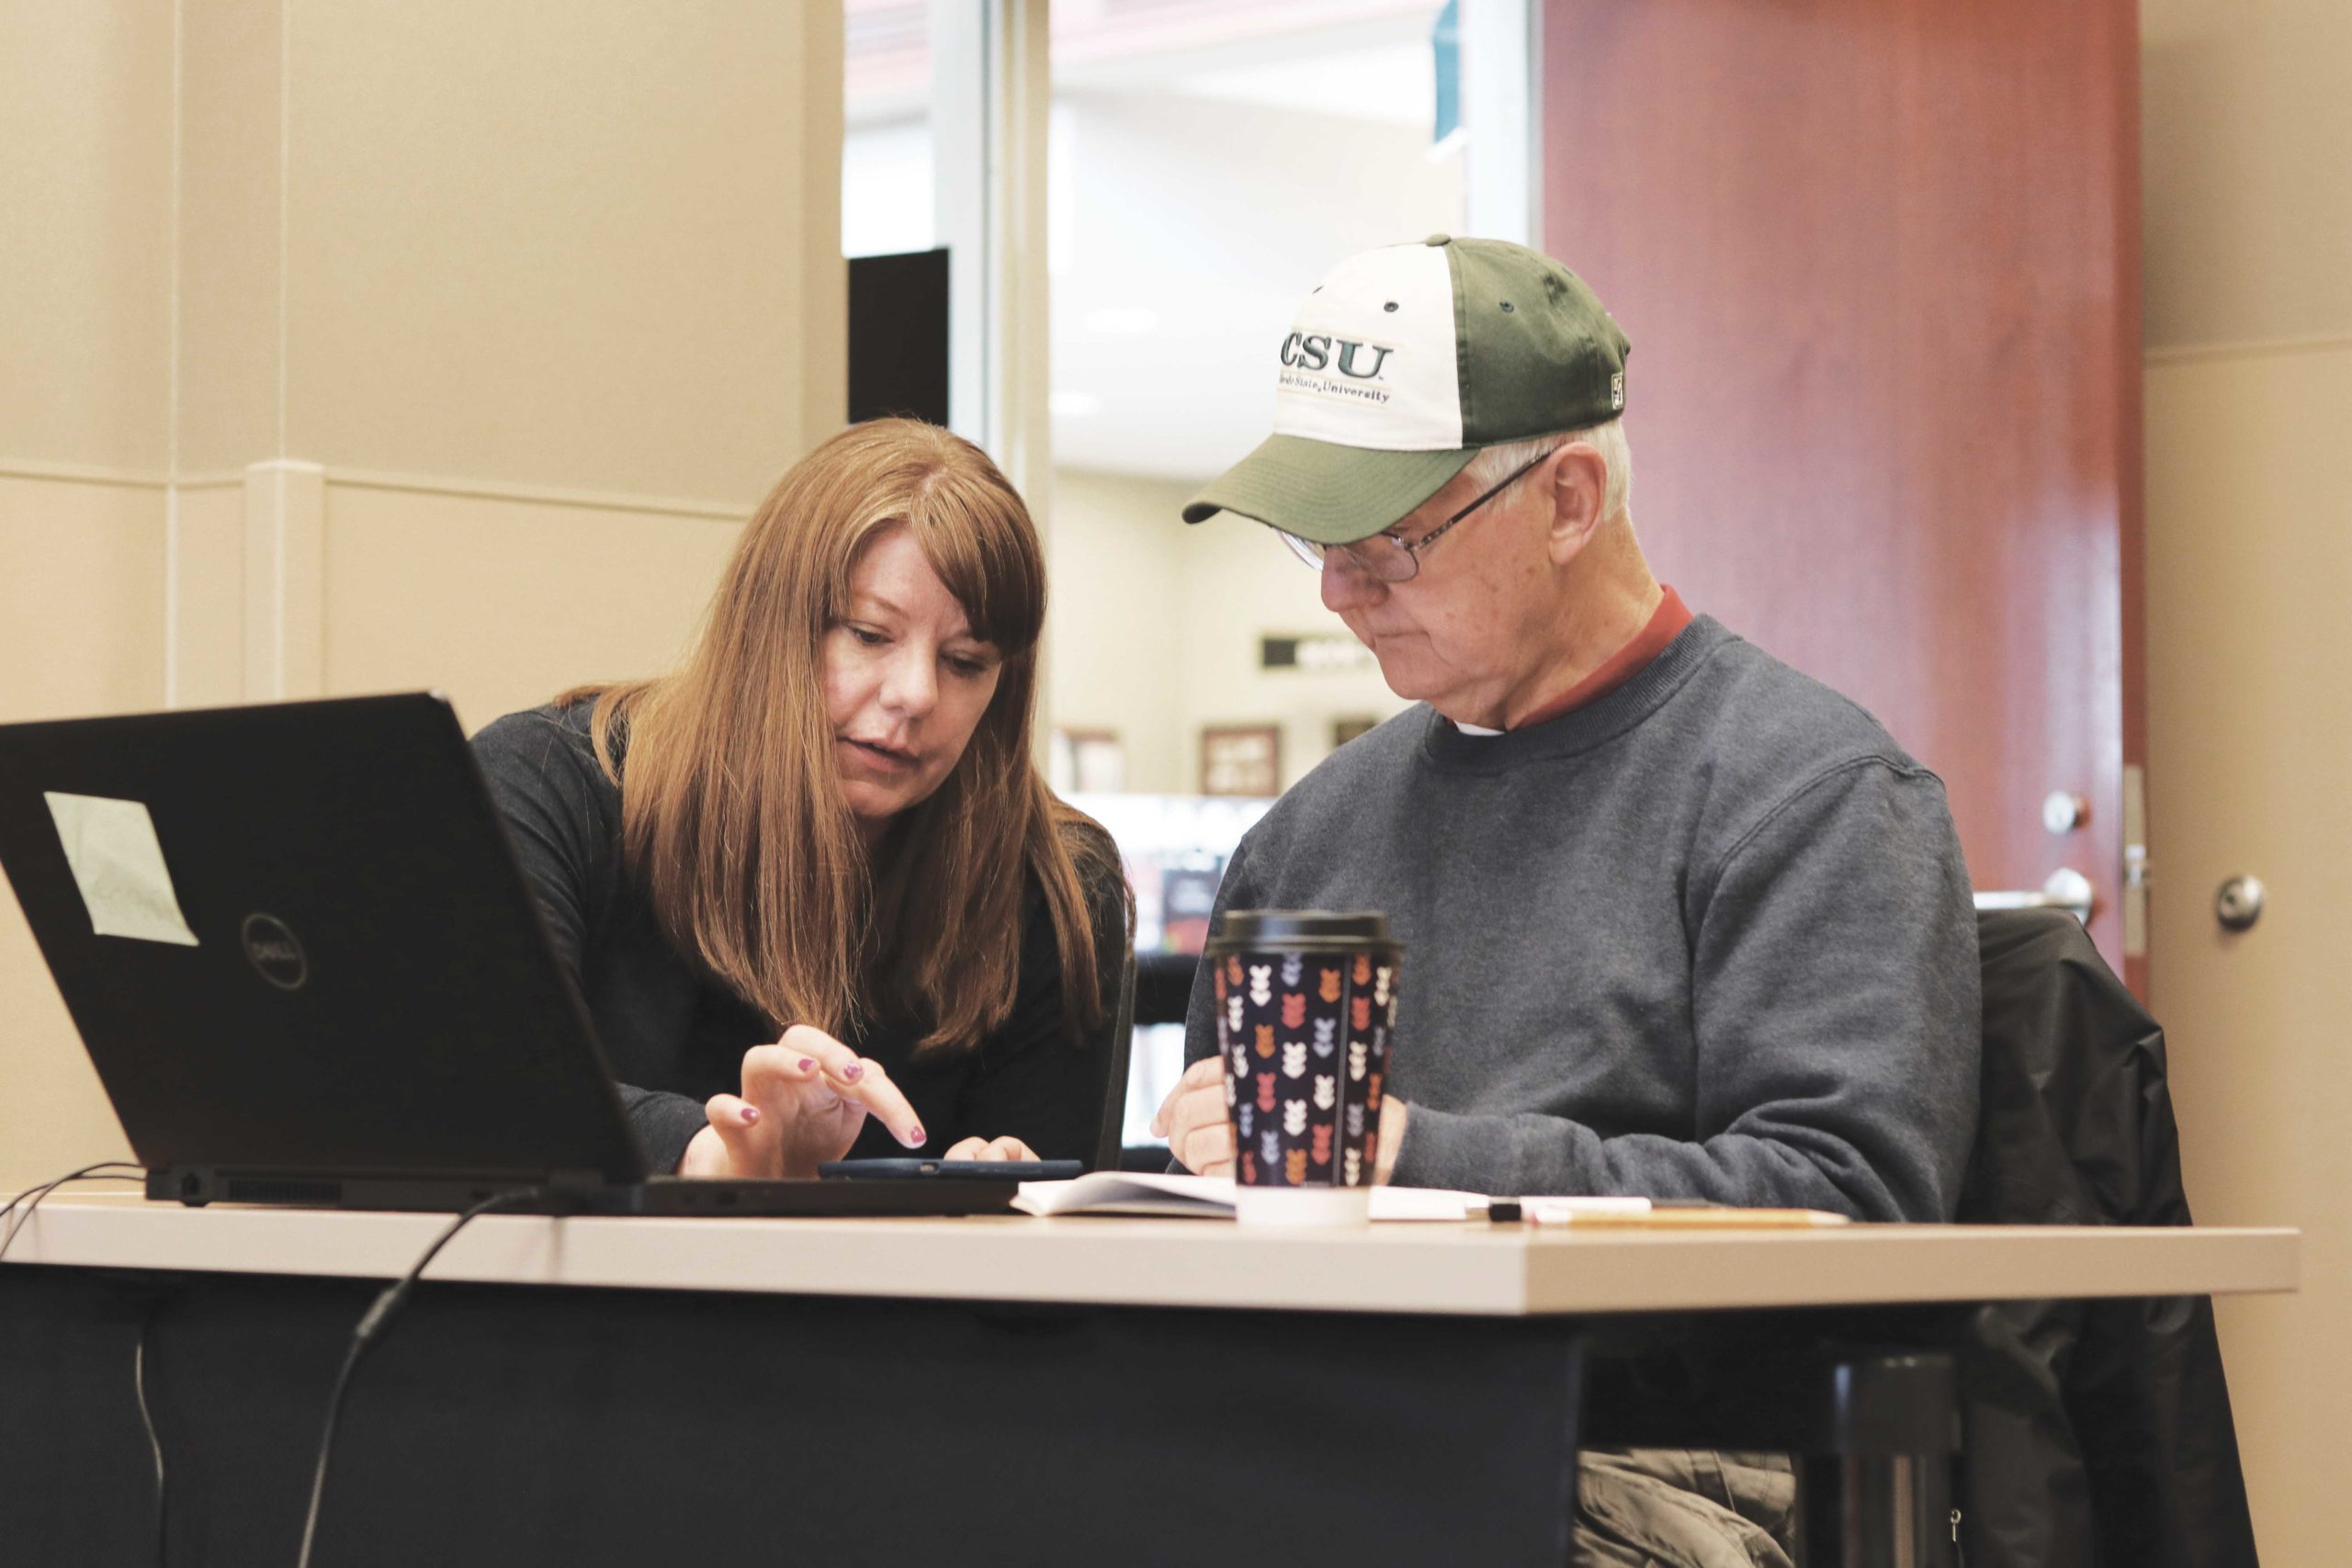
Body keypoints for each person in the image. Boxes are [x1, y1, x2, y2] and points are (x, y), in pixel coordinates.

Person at [1154, 236, 1979, 1565]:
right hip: (1321, 1426)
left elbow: (1850, 1207)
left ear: (1570, 496)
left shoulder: (1812, 795)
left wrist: (1414, 1160)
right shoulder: (1310, 835)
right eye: (1319, 541)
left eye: (1389, 543)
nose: (1338, 592)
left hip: (1674, 1453)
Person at [473, 419, 1130, 1179]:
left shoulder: (1055, 884)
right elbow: (483, 1078)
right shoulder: (552, 782)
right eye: (868, 634)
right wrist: (710, 1152)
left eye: (965, 661)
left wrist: (1002, 1188)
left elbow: (1055, 1242)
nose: (917, 695)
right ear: (770, 625)